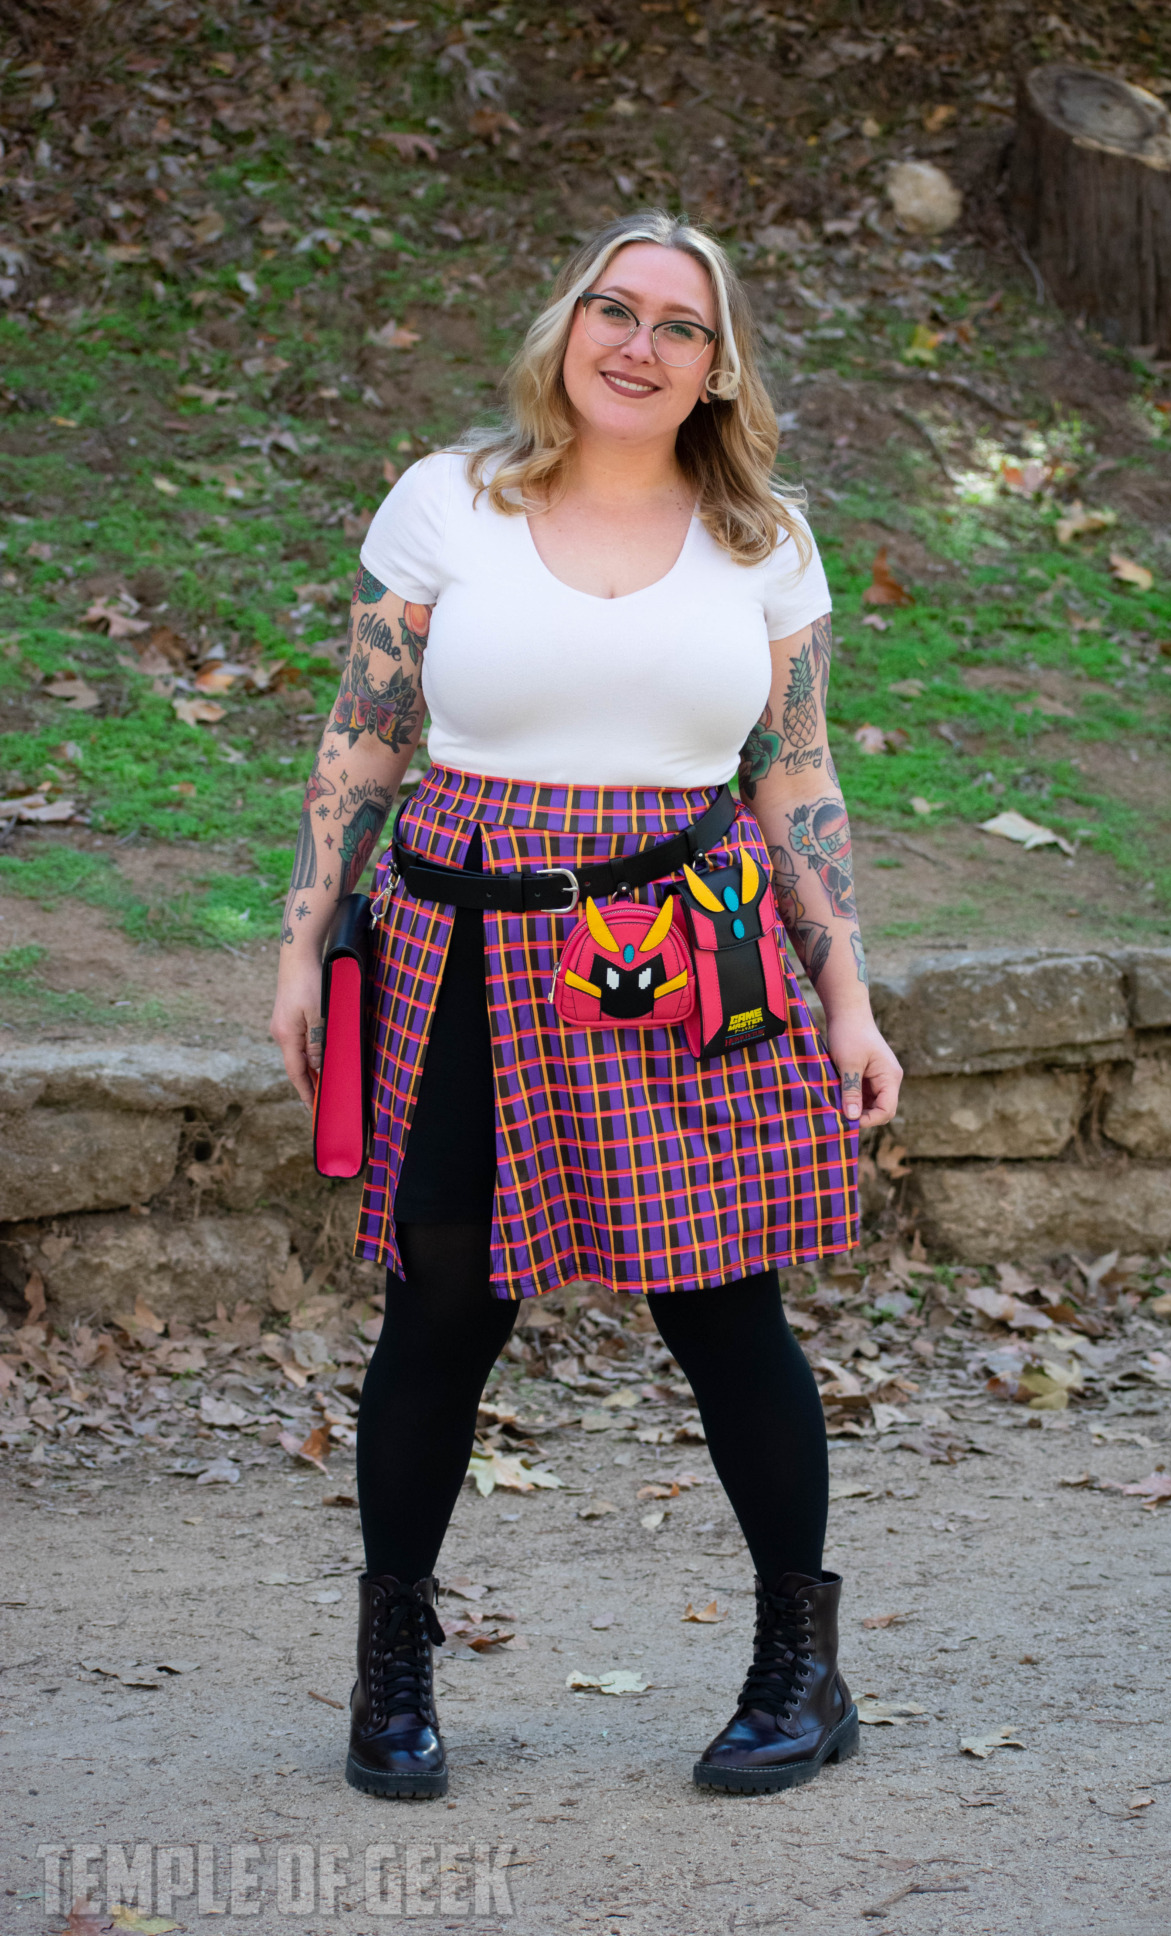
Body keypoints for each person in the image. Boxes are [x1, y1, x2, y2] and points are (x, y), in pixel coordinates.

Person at [271, 208, 903, 1802]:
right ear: (568, 327)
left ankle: (797, 1671)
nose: (638, 343)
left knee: (724, 1306)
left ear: (716, 368)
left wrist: (851, 996)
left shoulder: (765, 540)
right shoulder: (449, 502)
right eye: (613, 310)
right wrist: (299, 947)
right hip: (462, 949)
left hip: (693, 947)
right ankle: (392, 1674)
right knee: (445, 1305)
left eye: (678, 326)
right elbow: (363, 740)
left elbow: (798, 776)